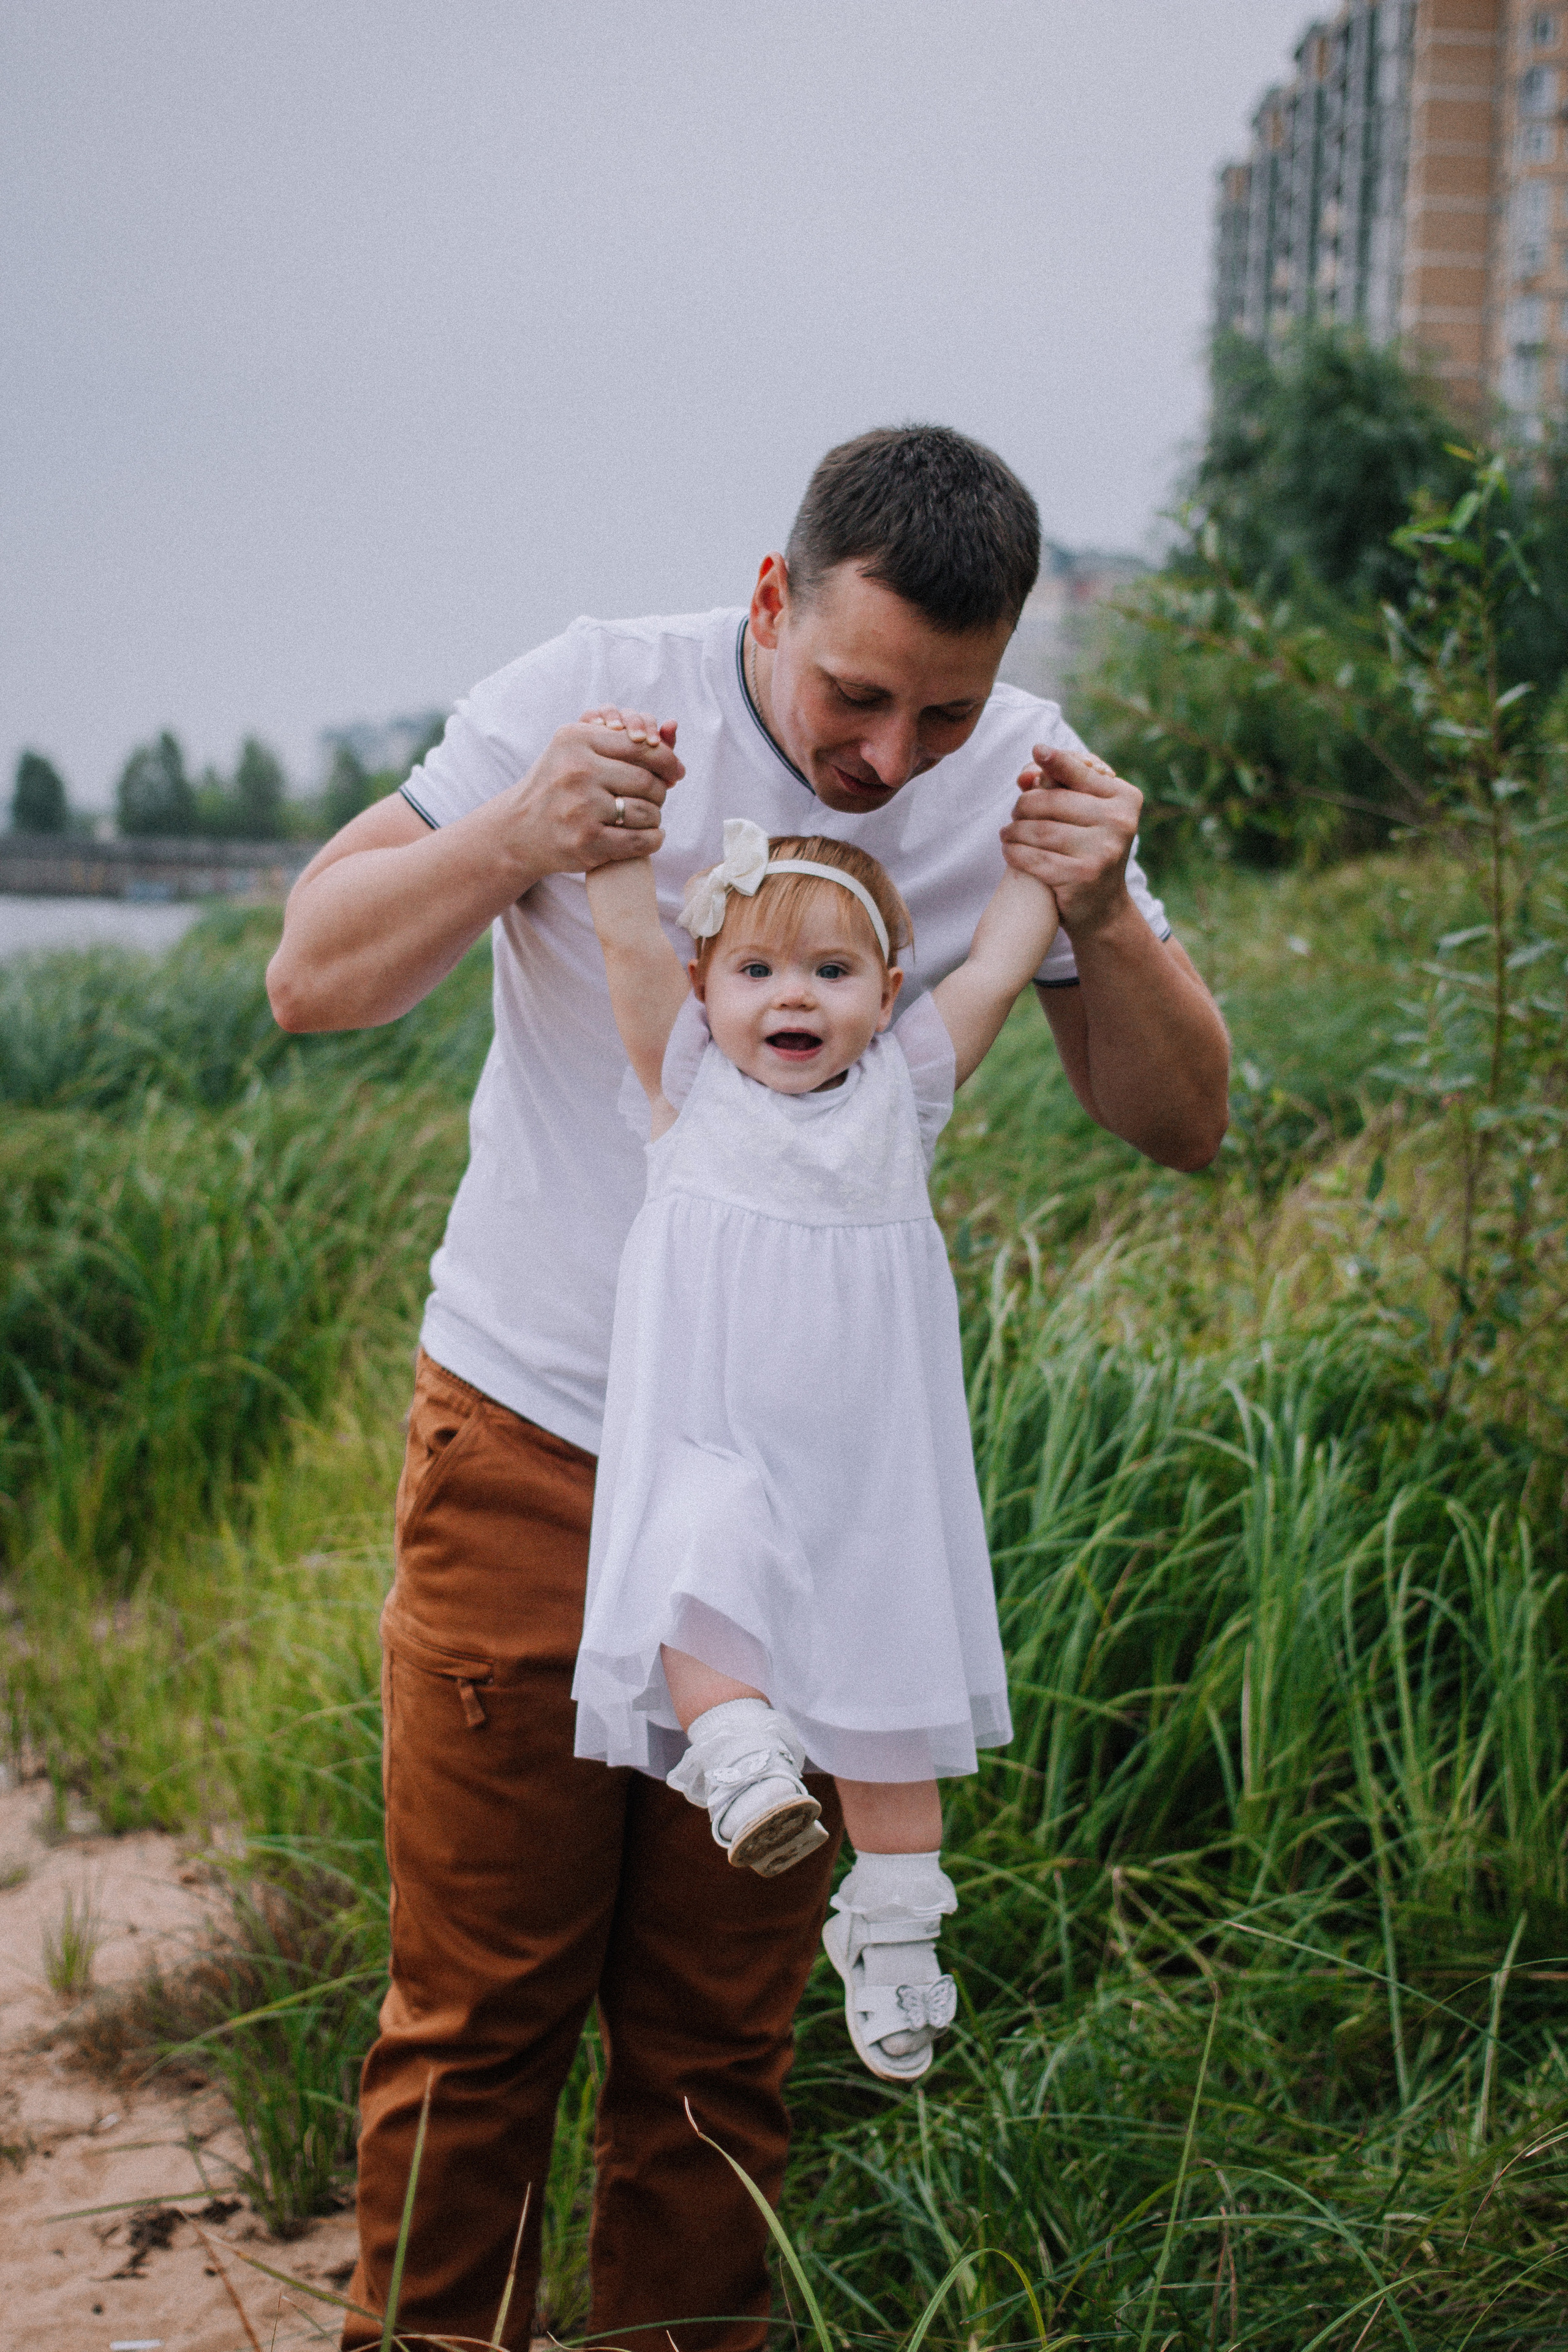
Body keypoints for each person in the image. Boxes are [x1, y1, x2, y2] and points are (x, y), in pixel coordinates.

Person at [265, 424, 1230, 2352]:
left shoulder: (1016, 778)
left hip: (793, 1524)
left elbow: (1185, 1122)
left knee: (714, 2066)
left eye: (940, 713)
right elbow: (311, 975)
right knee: (477, 2026)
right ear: (772, 602)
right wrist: (521, 840)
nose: (892, 761)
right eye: (857, 698)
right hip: (535, 1449)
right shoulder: (595, 693)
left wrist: (1103, 906)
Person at [578, 814, 1061, 2082]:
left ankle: (895, 1927)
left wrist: (1051, 870)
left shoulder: (902, 1095)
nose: (791, 995)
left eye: (831, 972)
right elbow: (629, 944)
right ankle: (739, 1768)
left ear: (885, 994)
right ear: (705, 993)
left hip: (867, 1479)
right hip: (717, 1441)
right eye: (755, 971)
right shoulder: (686, 1094)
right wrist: (611, 841)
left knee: (893, 1697)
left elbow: (999, 967)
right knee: (696, 1565)